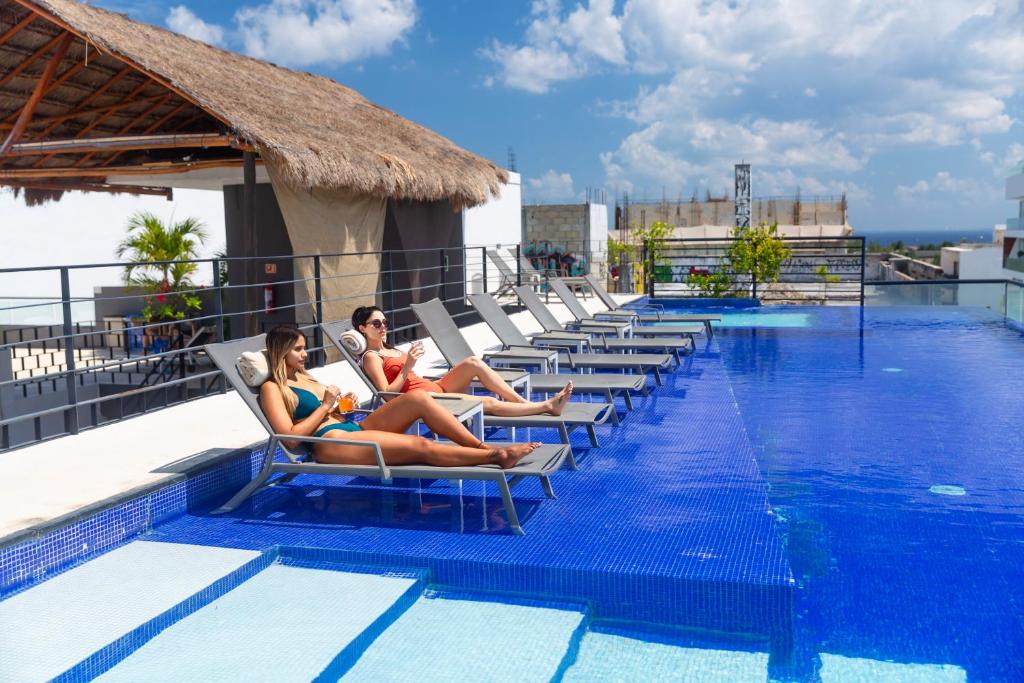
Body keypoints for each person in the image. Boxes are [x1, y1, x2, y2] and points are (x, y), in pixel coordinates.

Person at [259, 326, 539, 469]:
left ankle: (479, 446)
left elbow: (334, 412)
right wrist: (325, 406)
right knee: (419, 444)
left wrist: (343, 406)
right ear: (281, 352)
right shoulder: (273, 388)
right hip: (329, 442)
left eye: (304, 348)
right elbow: (291, 438)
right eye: (298, 350)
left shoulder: (306, 377)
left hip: (350, 427)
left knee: (418, 398)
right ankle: (496, 456)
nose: (305, 354)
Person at [352, 306, 573, 417]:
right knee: (482, 403)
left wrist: (411, 364)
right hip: (424, 399)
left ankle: (520, 401)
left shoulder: (389, 348)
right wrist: (408, 365)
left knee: (473, 362)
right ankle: (546, 406)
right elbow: (387, 396)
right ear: (362, 328)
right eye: (376, 324)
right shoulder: (372, 357)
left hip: (435, 387)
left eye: (385, 322)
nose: (383, 327)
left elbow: (410, 377)